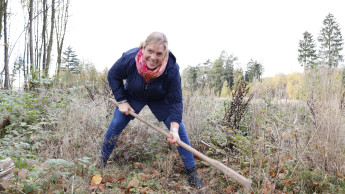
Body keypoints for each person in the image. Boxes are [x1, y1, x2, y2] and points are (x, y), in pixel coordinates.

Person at [99, 32, 205, 189]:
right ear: (143, 48)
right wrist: (122, 100)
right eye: (150, 51)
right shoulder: (129, 58)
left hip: (160, 99)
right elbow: (113, 75)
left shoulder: (172, 68)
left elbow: (176, 100)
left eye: (159, 53)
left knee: (180, 132)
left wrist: (174, 129)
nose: (153, 57)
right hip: (133, 95)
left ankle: (191, 173)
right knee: (115, 125)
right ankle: (100, 163)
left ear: (165, 53)